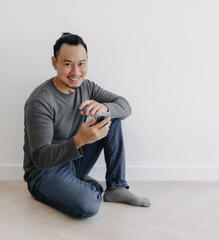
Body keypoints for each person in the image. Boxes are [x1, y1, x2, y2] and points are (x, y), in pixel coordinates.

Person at [23, 33, 150, 218]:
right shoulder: (41, 101)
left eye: (81, 63)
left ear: (87, 61)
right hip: (44, 173)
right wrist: (78, 141)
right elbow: (40, 159)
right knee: (88, 205)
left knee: (110, 117)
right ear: (54, 63)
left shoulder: (86, 87)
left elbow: (125, 106)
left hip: (73, 161)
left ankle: (116, 187)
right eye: (67, 64)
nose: (76, 72)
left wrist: (104, 107)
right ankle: (84, 185)